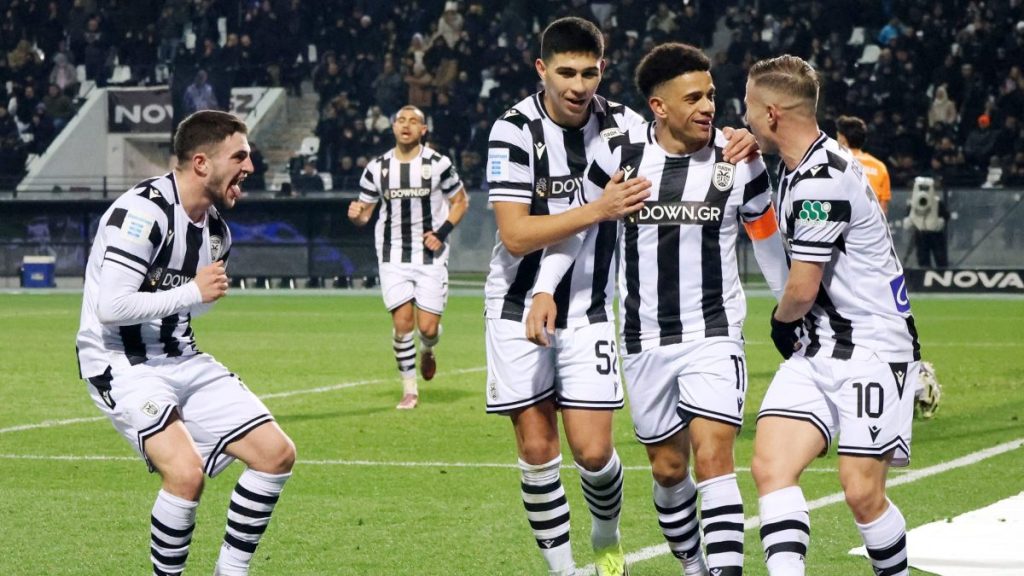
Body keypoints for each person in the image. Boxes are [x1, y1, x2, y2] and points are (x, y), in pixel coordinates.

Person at [484, 19, 757, 576]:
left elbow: (679, 132)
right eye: (565, 73)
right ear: (542, 70)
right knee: (537, 450)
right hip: (516, 302)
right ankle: (566, 571)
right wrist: (594, 215)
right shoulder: (512, 131)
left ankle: (605, 535)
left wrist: (738, 139)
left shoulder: (626, 128)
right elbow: (515, 236)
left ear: (602, 71)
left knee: (592, 453)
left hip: (591, 307)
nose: (577, 85)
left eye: (588, 73)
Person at [75, 110, 296, 576]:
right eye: (240, 156)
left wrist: (198, 297)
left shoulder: (216, 232)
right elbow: (111, 307)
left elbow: (191, 307)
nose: (250, 167)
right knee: (185, 473)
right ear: (201, 163)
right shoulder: (144, 212)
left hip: (180, 354)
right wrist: (193, 291)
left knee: (276, 454)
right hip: (121, 362)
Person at [743, 55, 922, 576]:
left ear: (772, 114)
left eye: (750, 107)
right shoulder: (800, 162)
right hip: (819, 345)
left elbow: (802, 288)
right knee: (771, 466)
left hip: (872, 348)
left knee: (862, 493)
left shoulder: (821, 178)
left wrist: (780, 323)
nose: (745, 117)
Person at [347, 104, 468, 410]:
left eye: (413, 121)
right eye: (401, 120)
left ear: (423, 130)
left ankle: (428, 348)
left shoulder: (438, 164)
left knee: (427, 328)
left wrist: (441, 232)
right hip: (393, 256)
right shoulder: (377, 167)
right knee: (403, 324)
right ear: (393, 127)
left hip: (430, 255)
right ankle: (409, 390)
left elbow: (460, 201)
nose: (406, 125)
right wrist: (357, 215)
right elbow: (365, 214)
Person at [836, 115, 891, 216]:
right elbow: (883, 210)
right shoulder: (879, 167)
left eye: (838, 136)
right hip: (871, 223)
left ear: (843, 139)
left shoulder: (836, 164)